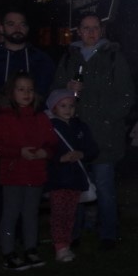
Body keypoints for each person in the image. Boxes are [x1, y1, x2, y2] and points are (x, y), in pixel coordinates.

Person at [0, 9, 55, 243]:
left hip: (30, 131)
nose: (17, 29)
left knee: (28, 184)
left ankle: (23, 236)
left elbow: (46, 95)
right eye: (11, 24)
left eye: (22, 24)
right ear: (2, 27)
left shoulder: (41, 60)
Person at [53, 14, 134, 250]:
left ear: (102, 30)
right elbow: (54, 92)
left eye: (95, 28)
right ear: (78, 31)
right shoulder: (70, 57)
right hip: (75, 135)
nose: (91, 32)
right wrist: (66, 87)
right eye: (86, 28)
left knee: (105, 187)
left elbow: (127, 95)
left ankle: (108, 234)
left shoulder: (113, 56)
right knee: (76, 186)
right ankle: (73, 233)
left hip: (104, 136)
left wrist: (108, 117)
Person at [0, 72, 57, 270]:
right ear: (11, 92)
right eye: (21, 89)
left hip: (35, 172)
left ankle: (31, 249)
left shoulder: (40, 118)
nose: (26, 94)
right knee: (10, 213)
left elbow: (52, 142)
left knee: (30, 213)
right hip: (13, 174)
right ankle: (8, 252)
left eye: (30, 90)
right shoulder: (2, 118)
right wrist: (17, 152)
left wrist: (45, 152)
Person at [45, 88, 98, 262]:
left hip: (75, 178)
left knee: (70, 213)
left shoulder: (80, 126)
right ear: (54, 108)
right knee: (60, 213)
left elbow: (92, 148)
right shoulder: (49, 127)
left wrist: (82, 154)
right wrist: (60, 158)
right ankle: (60, 246)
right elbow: (45, 151)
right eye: (63, 106)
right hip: (58, 179)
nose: (68, 109)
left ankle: (65, 244)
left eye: (71, 105)